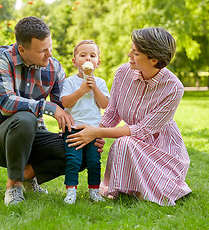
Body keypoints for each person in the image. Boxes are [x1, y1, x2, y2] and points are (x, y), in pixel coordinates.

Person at [0, 16, 105, 206]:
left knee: (80, 151)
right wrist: (47, 107)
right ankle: (13, 186)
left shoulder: (54, 68)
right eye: (42, 51)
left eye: (50, 47)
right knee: (25, 118)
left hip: (35, 136)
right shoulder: (0, 59)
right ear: (22, 50)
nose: (49, 54)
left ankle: (27, 176)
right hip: (0, 139)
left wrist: (91, 133)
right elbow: (6, 103)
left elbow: (65, 108)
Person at [66, 27, 192, 206]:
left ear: (154, 60)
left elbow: (142, 130)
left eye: (136, 52)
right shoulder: (123, 73)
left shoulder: (173, 88)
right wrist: (96, 135)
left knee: (124, 142)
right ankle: (129, 190)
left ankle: (145, 189)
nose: (129, 54)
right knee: (124, 143)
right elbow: (112, 112)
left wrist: (97, 131)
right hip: (130, 140)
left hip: (161, 148)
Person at [61, 40, 110, 204]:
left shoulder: (100, 83)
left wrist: (94, 88)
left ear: (97, 62)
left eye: (92, 55)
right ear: (75, 61)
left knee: (94, 162)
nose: (88, 58)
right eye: (83, 55)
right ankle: (71, 191)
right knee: (73, 161)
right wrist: (82, 90)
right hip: (73, 129)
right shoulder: (70, 82)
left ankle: (94, 191)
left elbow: (104, 104)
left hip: (93, 130)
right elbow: (66, 103)